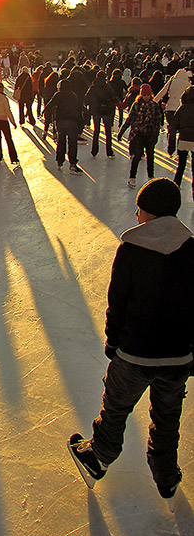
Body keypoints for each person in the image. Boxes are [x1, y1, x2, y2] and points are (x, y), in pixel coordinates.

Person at [68, 178, 194, 510]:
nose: (135, 213)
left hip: (135, 354)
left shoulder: (131, 250)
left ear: (149, 213)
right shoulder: (192, 250)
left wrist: (112, 343)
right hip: (178, 357)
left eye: (139, 208)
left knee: (116, 408)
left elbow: (118, 302)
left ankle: (99, 457)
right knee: (167, 417)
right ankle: (166, 476)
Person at [118, 84, 162, 189]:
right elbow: (130, 119)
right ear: (141, 95)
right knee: (137, 156)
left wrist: (155, 135)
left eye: (148, 95)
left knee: (150, 156)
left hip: (150, 134)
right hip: (138, 134)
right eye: (144, 95)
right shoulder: (136, 105)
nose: (146, 97)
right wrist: (121, 131)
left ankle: (151, 176)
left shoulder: (155, 106)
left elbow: (158, 121)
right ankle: (132, 177)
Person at [43, 78, 83, 173]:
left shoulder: (59, 95)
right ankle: (72, 163)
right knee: (72, 143)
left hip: (61, 121)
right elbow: (79, 109)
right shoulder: (74, 95)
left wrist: (45, 111)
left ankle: (60, 160)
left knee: (61, 141)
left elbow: (50, 104)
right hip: (72, 122)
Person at [84, 71, 116, 159]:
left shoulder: (93, 87)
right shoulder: (108, 87)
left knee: (96, 131)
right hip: (107, 111)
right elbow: (113, 97)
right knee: (108, 132)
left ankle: (94, 150)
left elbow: (86, 99)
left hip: (96, 111)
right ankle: (109, 151)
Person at [170, 85, 194, 199]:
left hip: (183, 138)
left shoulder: (182, 108)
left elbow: (173, 126)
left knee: (181, 166)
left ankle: (175, 187)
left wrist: (171, 144)